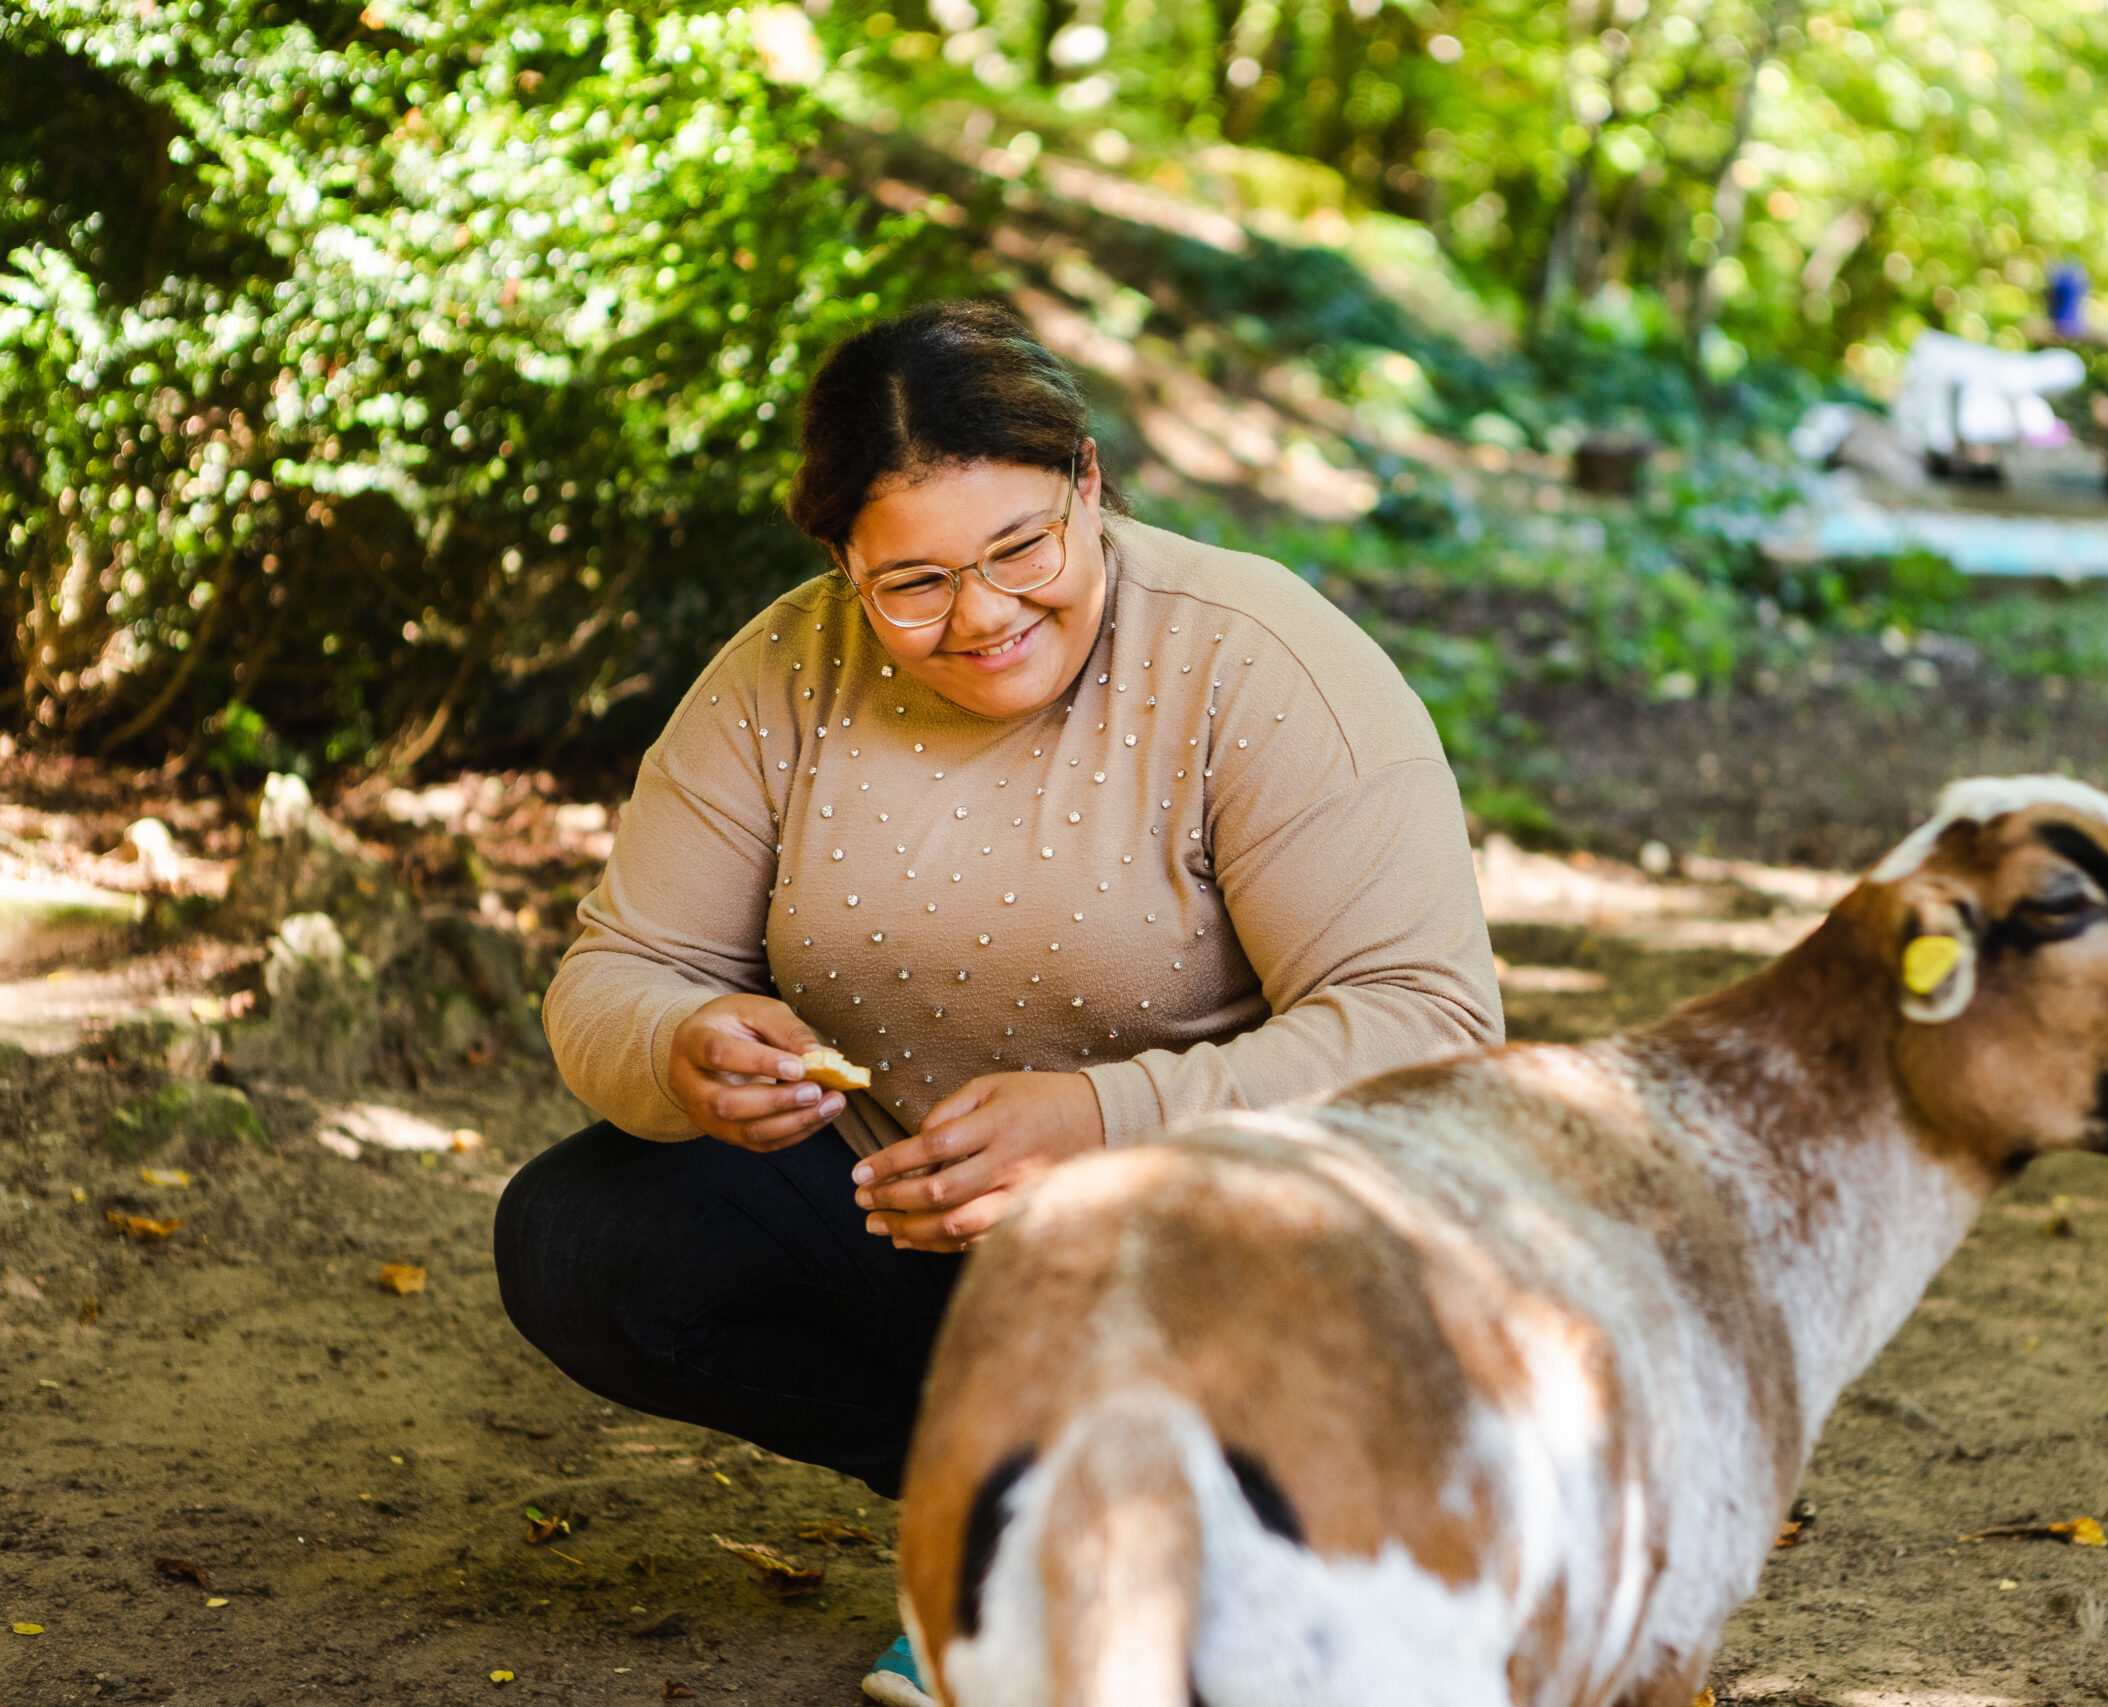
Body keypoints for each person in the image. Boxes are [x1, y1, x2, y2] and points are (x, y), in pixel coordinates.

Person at [491, 299, 1504, 1703]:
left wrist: (1105, 1122)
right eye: (908, 584)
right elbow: (614, 973)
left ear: (1087, 482)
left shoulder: (1258, 662)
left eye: (1021, 547)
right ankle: (1007, 1515)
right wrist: (681, 1045)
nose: (980, 617)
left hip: (1238, 1258)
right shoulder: (782, 676)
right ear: (842, 561)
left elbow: (1433, 1029)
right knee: (581, 1238)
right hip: (922, 1229)